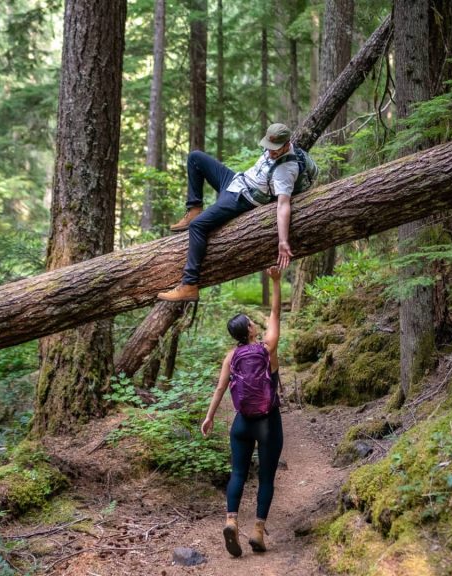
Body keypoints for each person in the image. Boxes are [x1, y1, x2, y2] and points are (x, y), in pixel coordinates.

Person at [158, 123, 298, 302]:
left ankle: (189, 285)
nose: (270, 152)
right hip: (234, 181)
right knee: (195, 158)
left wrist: (283, 241)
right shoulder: (275, 147)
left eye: (275, 150)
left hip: (241, 198)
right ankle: (194, 208)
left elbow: (283, 205)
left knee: (197, 226)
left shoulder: (286, 170)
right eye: (268, 148)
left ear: (287, 144)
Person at [200, 266, 285, 557]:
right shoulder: (267, 349)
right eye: (251, 321)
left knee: (237, 472)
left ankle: (231, 521)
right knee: (266, 477)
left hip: (241, 423)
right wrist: (275, 282)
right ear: (250, 329)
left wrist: (209, 417)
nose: (255, 322)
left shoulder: (231, 356)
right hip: (268, 422)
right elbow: (275, 314)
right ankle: (258, 531)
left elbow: (220, 390)